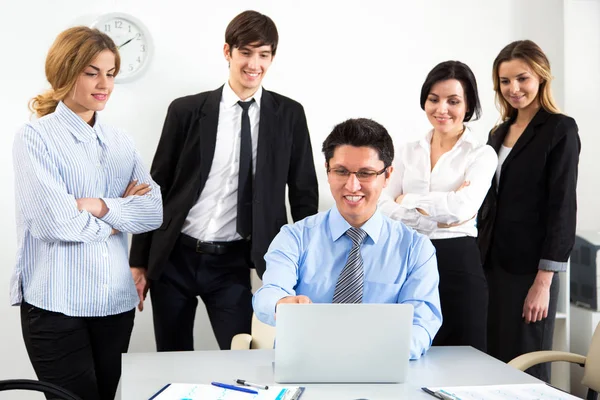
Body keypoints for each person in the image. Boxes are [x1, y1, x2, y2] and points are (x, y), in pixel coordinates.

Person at [129, 10, 319, 352]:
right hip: (175, 256)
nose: (254, 63)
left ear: (272, 57)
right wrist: (138, 261)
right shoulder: (186, 111)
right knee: (172, 359)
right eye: (246, 52)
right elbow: (155, 188)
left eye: (264, 55)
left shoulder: (289, 115)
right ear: (227, 52)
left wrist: (305, 267)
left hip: (233, 262)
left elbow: (304, 194)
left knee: (243, 357)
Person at [11, 26, 163, 400]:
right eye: (92, 72)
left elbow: (153, 212)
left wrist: (98, 206)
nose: (104, 84)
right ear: (66, 70)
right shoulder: (35, 137)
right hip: (55, 306)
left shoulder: (121, 142)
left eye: (110, 74)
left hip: (114, 303)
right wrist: (118, 219)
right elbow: (53, 222)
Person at [253, 118, 442, 360]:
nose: (352, 186)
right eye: (341, 171)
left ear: (387, 176)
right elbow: (269, 293)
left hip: (382, 367)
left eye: (365, 173)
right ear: (328, 171)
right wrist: (282, 304)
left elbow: (422, 324)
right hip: (304, 365)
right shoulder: (294, 237)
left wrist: (369, 353)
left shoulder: (416, 249)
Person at [477, 40, 580, 382]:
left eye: (521, 78)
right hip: (491, 264)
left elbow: (562, 208)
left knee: (527, 367)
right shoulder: (498, 133)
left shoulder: (559, 129)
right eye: (505, 81)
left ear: (540, 76)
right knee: (492, 361)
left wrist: (543, 282)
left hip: (529, 271)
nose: (513, 89)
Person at [379, 61, 497, 352]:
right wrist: (434, 217)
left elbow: (461, 209)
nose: (441, 109)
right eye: (434, 99)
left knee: (463, 358)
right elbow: (381, 205)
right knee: (407, 352)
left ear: (468, 105)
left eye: (453, 101)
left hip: (457, 262)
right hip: (406, 258)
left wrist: (408, 201)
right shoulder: (406, 151)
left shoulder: (481, 154)